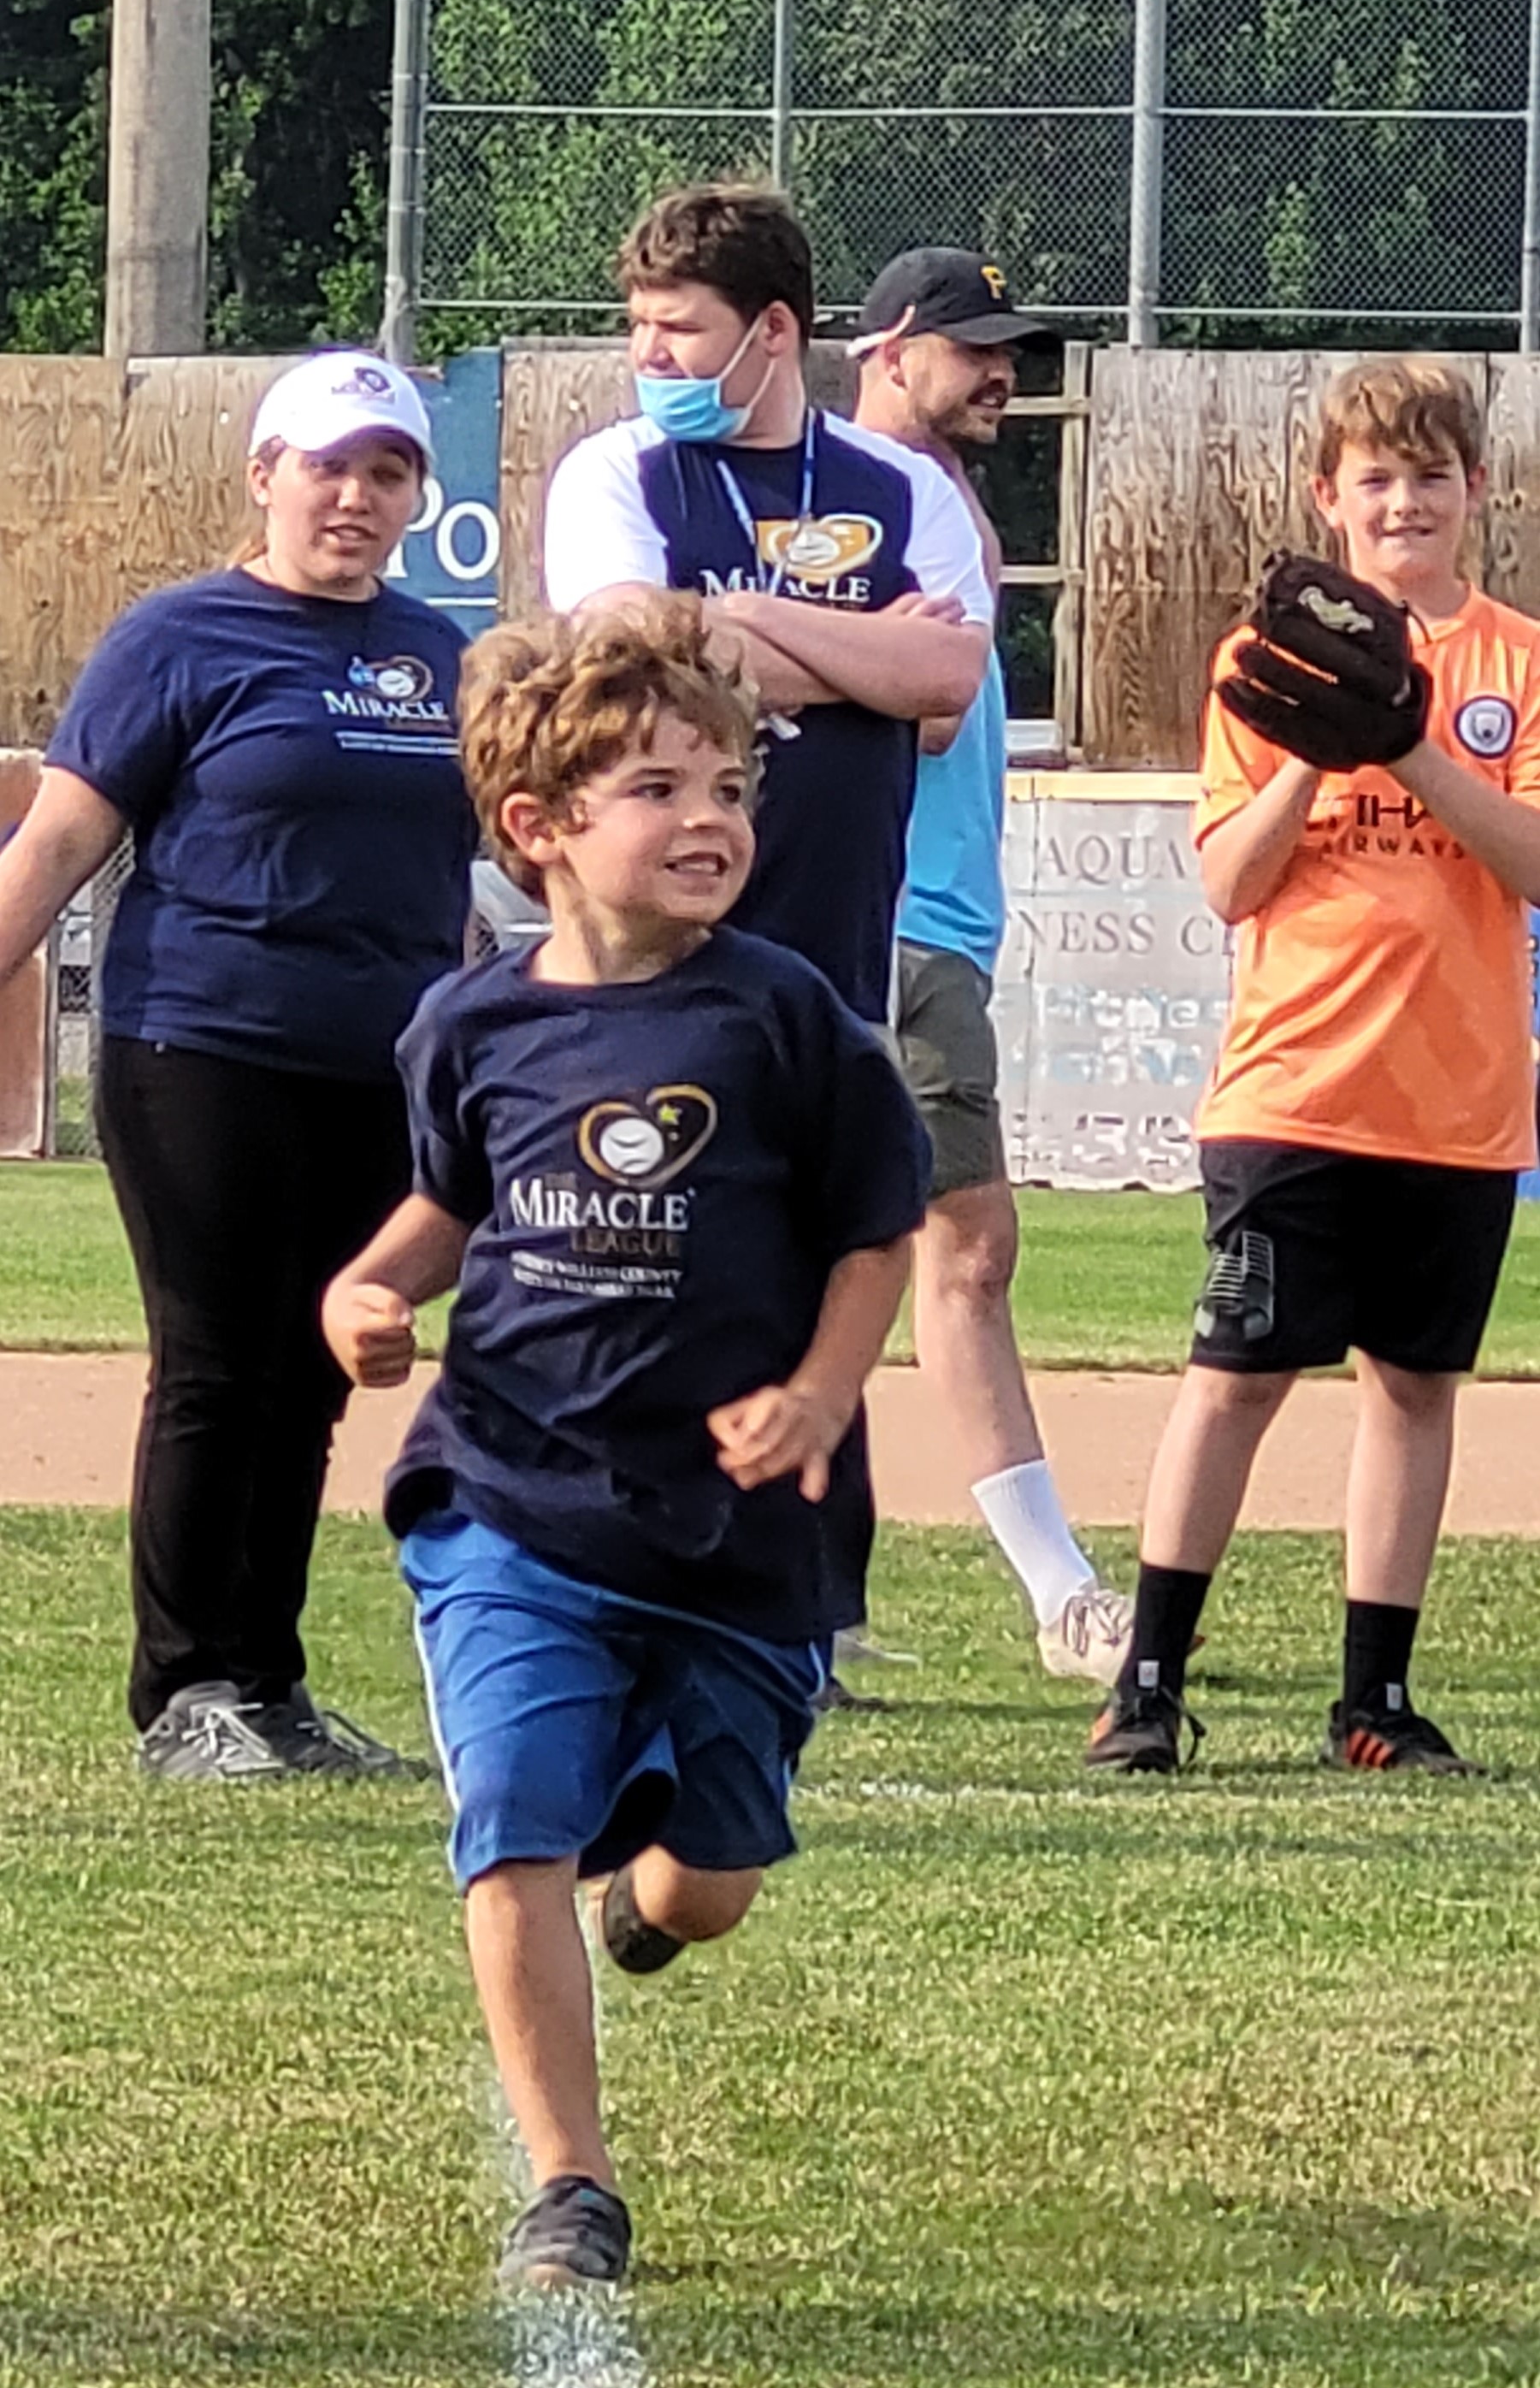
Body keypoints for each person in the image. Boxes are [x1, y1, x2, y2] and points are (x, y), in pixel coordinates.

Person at [322, 600, 929, 2287]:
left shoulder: (788, 1017)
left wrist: (818, 1391)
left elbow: (877, 1226)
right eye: (658, 786)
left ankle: (650, 1898)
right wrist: (366, 1294)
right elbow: (448, 1207)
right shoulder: (474, 1024)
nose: (712, 815)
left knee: (714, 1879)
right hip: (510, 1495)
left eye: (728, 782)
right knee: (511, 1816)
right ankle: (569, 2185)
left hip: (740, 1525)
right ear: (540, 829)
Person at [0, 351, 478, 1779]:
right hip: (200, 1044)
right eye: (327, 464)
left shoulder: (438, 653)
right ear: (265, 474)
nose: (354, 493)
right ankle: (185, 1689)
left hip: (379, 1062)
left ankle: (266, 1684)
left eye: (385, 468)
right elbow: (62, 845)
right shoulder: (180, 638)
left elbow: (462, 874)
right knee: (217, 1363)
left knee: (315, 1371)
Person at [541, 184, 990, 1699]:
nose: (650, 354)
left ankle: (811, 1600)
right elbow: (631, 646)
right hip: (646, 963)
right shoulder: (616, 469)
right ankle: (634, 1576)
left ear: (775, 333)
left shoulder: (893, 478)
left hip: (828, 953)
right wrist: (827, 645)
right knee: (649, 1254)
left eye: (682, 330)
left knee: (824, 1268)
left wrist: (738, 618)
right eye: (642, 327)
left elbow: (942, 676)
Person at [1086, 355, 1540, 1776]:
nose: (1400, 501)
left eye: (1427, 475)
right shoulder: (1254, 661)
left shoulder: (1517, 665)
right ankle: (1147, 1684)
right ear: (1325, 500)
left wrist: (1406, 740)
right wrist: (1307, 745)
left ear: (1475, 489)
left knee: (1412, 1387)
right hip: (1293, 1084)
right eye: (1372, 480)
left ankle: (1373, 1700)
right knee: (1234, 1375)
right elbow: (1230, 881)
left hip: (1457, 1100)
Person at [851, 246, 1134, 1688]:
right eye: (970, 351)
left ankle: (811, 1599)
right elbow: (918, 716)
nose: (998, 376)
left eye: (1006, 353)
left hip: (929, 921)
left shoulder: (926, 500)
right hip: (893, 923)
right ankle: (1061, 1594)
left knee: (868, 1251)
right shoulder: (865, 496)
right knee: (964, 1249)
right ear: (885, 348)